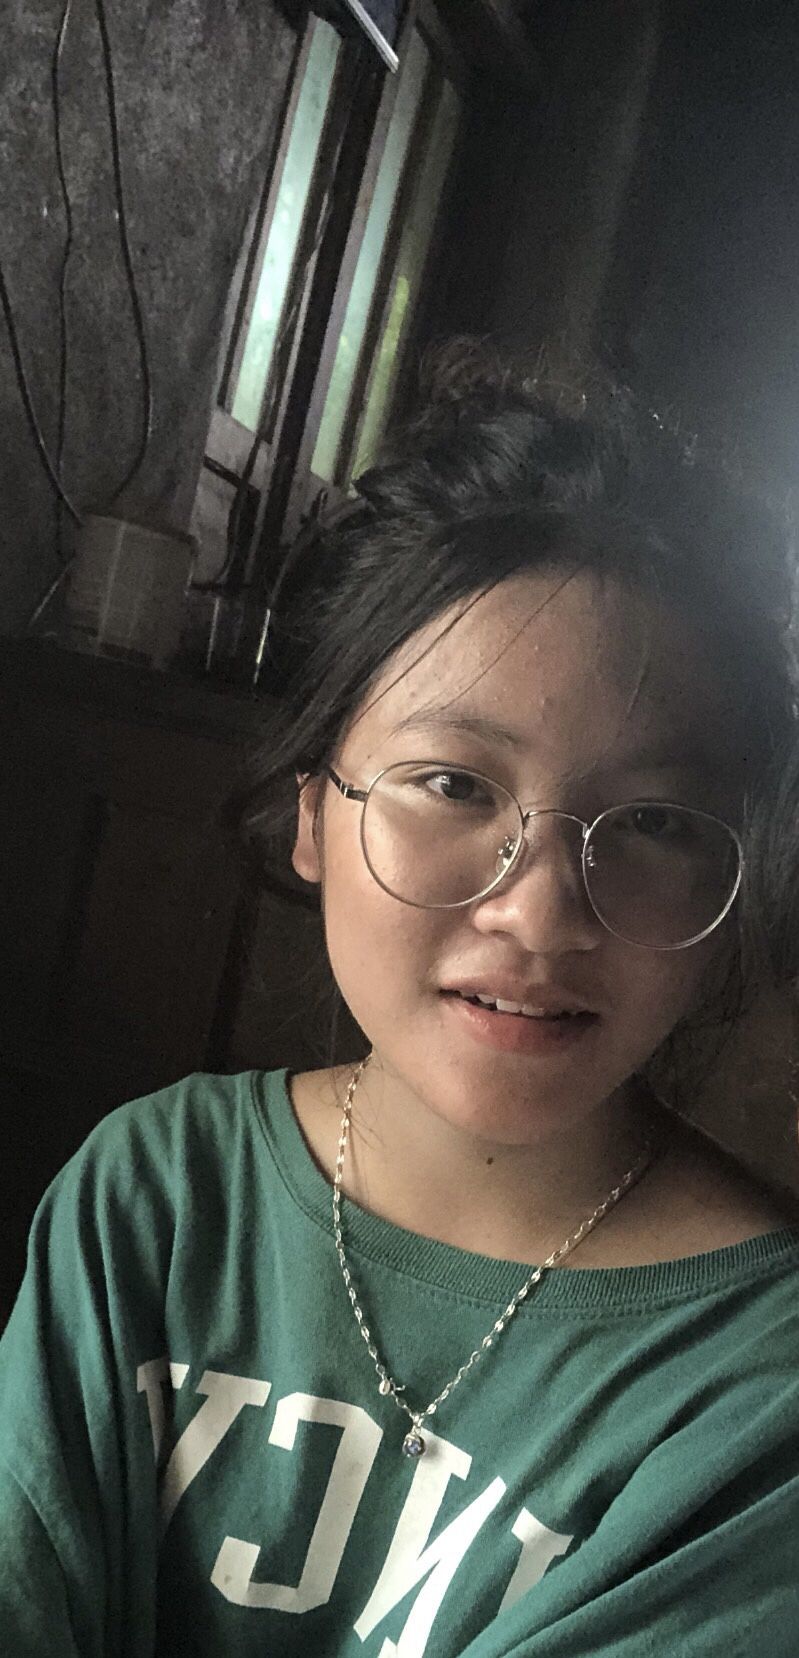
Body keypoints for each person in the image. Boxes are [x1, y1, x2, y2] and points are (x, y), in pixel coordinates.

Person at [2, 345, 799, 1658]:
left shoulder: (759, 1381)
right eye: (455, 784)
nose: (538, 914)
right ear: (314, 814)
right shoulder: (158, 1195)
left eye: (656, 820)